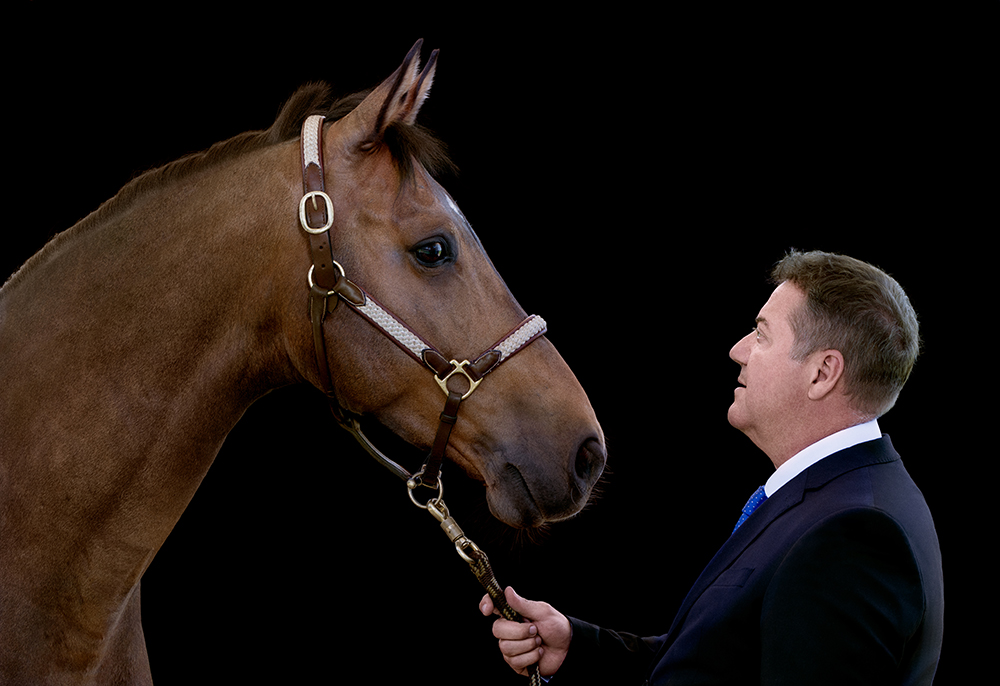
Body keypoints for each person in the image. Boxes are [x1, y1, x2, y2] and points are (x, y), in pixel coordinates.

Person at [480, 250, 944, 685]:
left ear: (822, 373)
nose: (738, 350)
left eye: (762, 334)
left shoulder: (852, 535)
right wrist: (577, 646)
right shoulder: (834, 499)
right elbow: (716, 661)